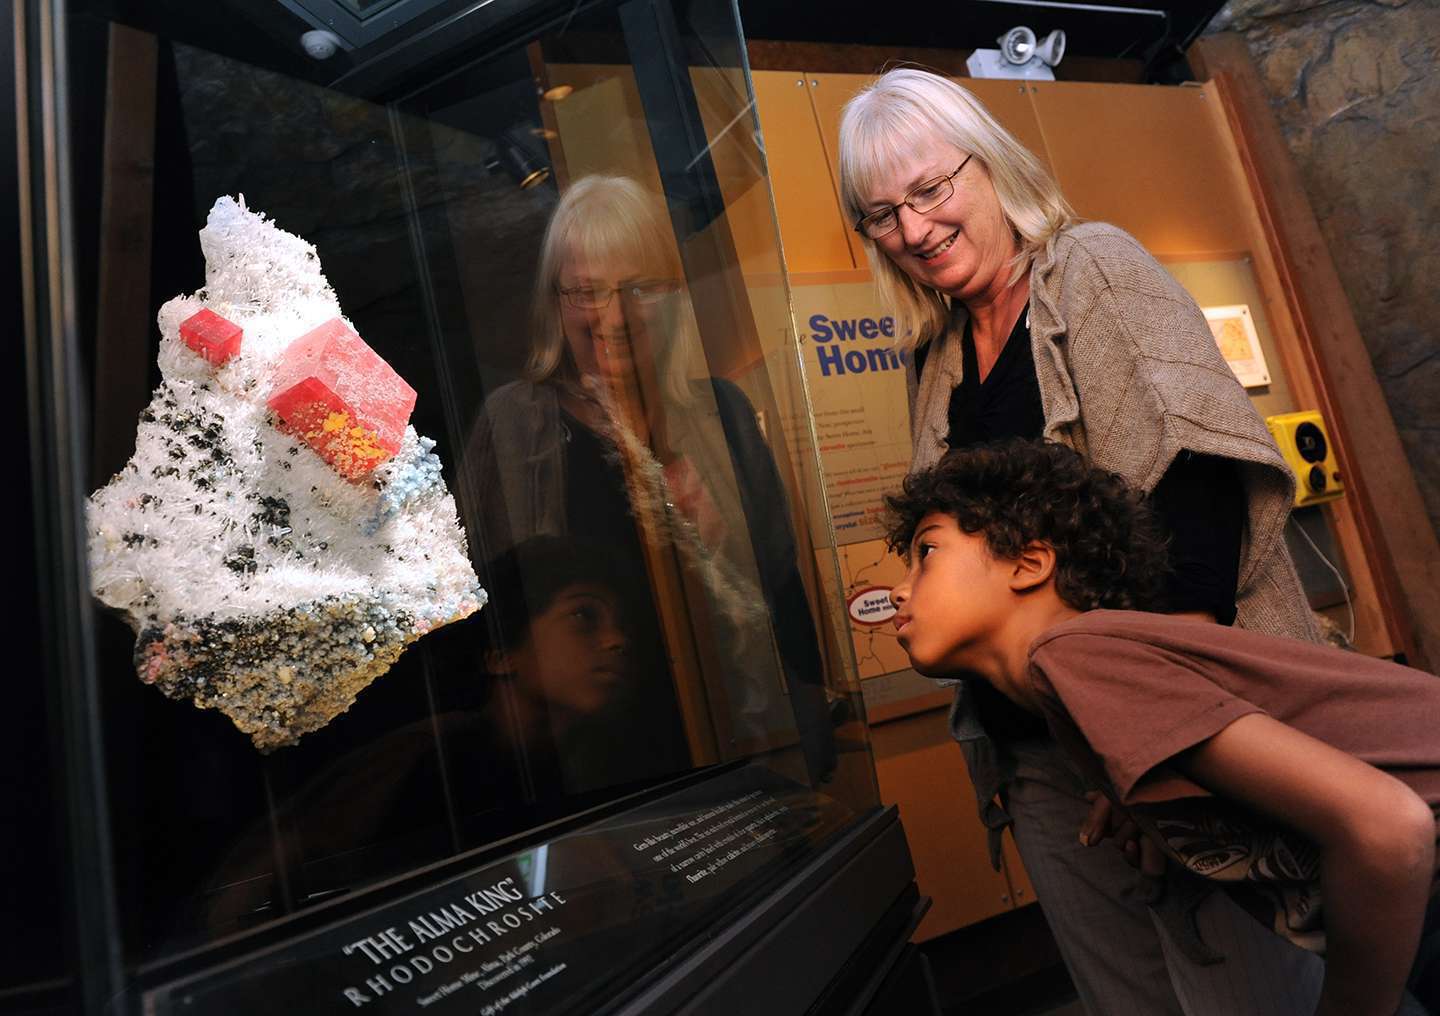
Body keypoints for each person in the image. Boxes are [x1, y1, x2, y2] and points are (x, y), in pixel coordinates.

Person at [838, 68, 1328, 1011]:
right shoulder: (935, 357)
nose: (914, 229)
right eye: (883, 213)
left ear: (993, 169)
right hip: (1037, 756)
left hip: (1171, 740)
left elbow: (1197, 509)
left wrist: (1144, 759)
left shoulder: (1090, 266)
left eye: (933, 189)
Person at [884, 439, 1440, 1016]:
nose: (901, 588)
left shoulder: (1073, 655)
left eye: (927, 552)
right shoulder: (1085, 674)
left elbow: (1388, 826)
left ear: (1029, 564)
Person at [462, 174, 832, 782]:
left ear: (675, 295)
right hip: (590, 761)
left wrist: (808, 722)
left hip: (740, 731)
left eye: (640, 288)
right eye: (586, 291)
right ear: (555, 302)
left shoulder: (724, 412)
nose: (614, 315)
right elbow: (482, 608)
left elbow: (780, 579)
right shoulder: (516, 425)